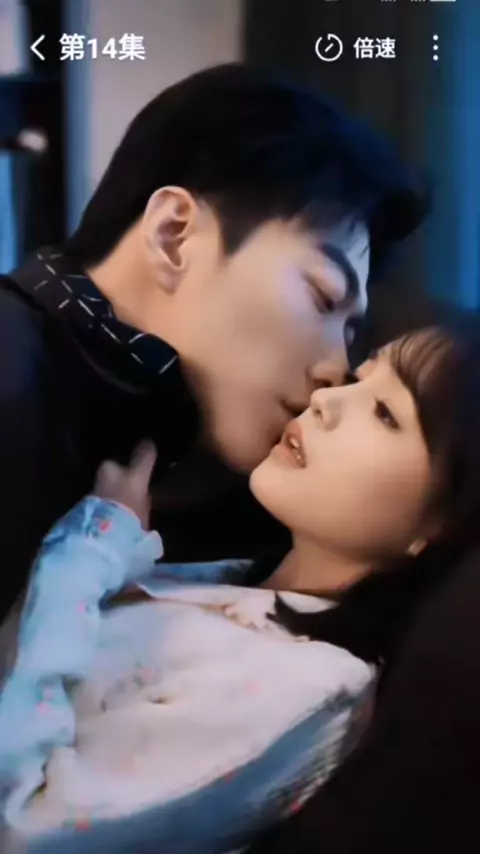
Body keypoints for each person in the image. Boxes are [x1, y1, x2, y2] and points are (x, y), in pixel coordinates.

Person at [3, 319, 480, 854]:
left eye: (385, 413)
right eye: (357, 380)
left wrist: (88, 554)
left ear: (442, 524)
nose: (326, 400)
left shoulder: (309, 687)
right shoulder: (236, 583)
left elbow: (26, 826)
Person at [0, 62, 423, 625]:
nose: (335, 371)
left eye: (351, 332)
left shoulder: (236, 474)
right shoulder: (15, 378)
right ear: (174, 235)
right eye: (323, 296)